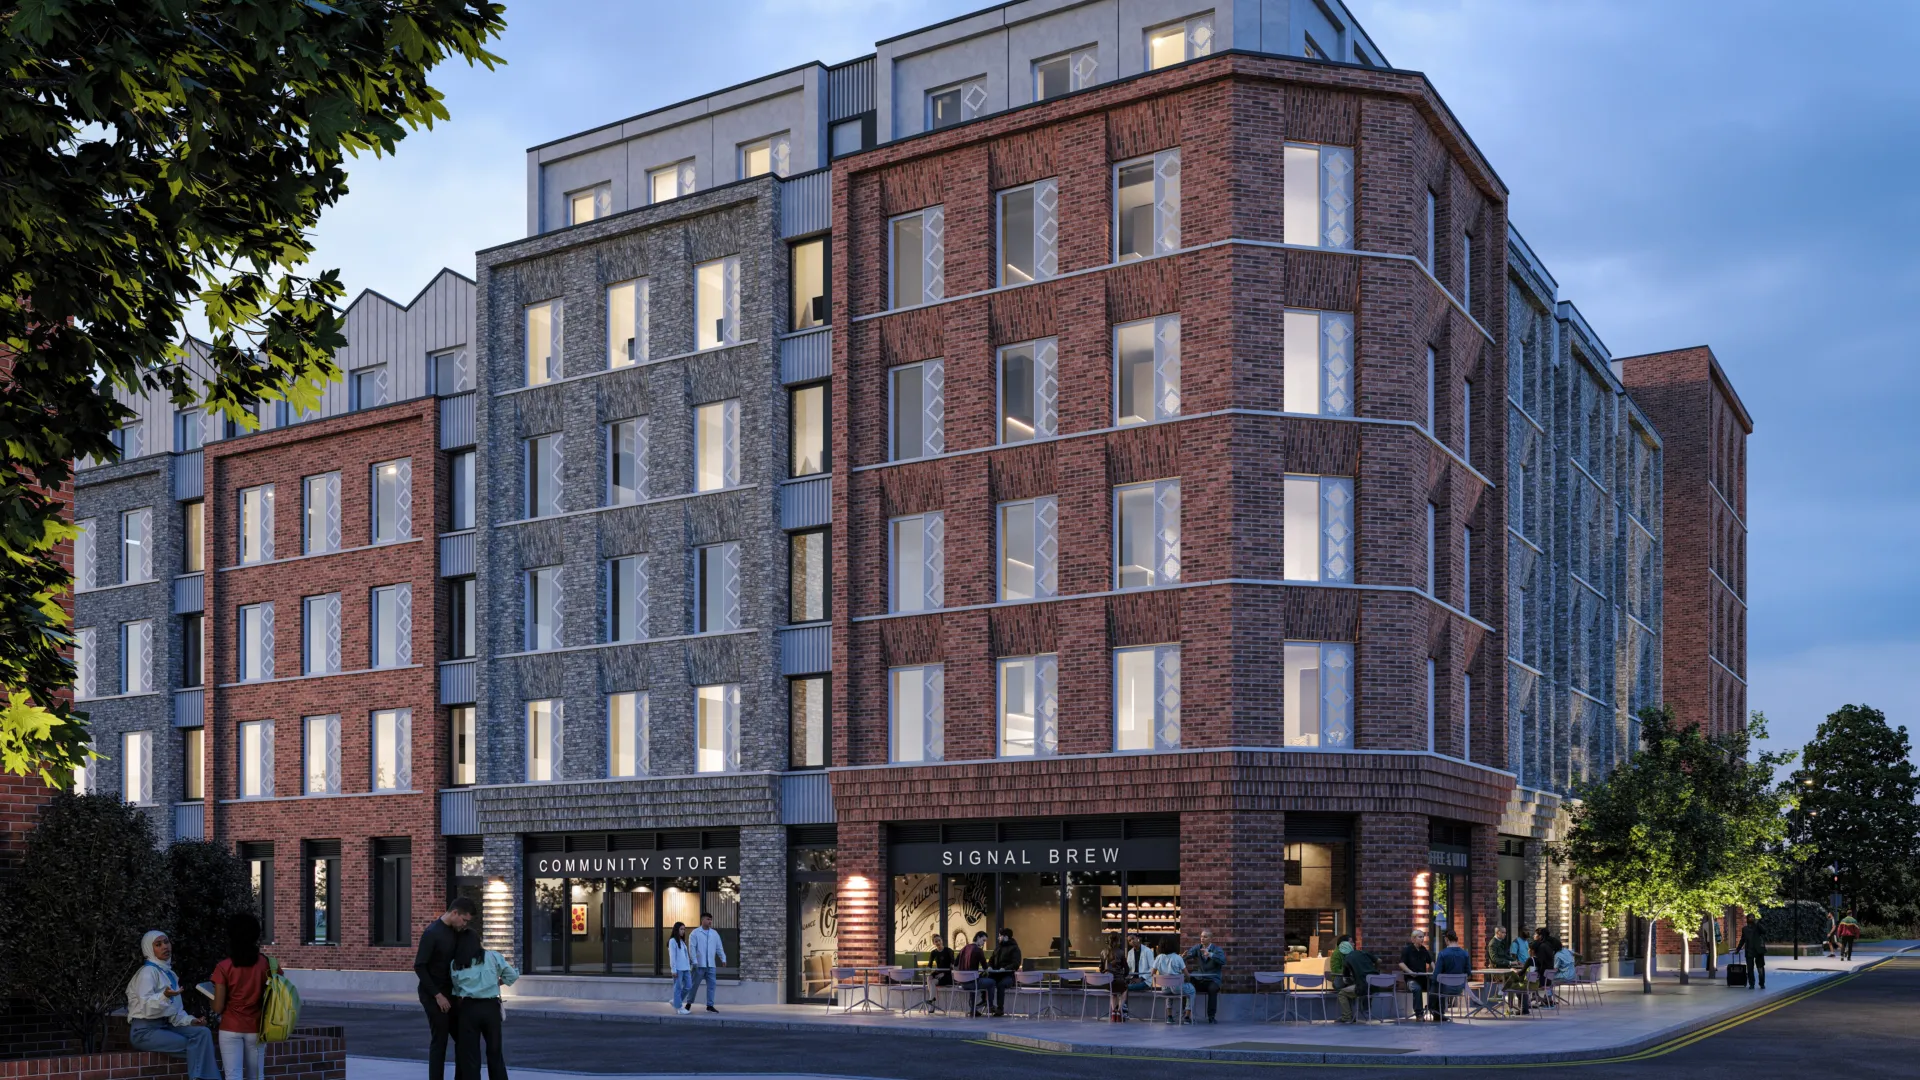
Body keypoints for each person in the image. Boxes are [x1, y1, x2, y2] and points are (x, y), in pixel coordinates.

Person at [126, 931, 221, 1080]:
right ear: (148, 950)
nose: (165, 946)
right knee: (194, 1045)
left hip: (165, 1026)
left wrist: (191, 1021)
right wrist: (164, 996)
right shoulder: (147, 972)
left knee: (203, 1033)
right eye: (158, 944)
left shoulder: (168, 974)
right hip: (144, 1032)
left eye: (166, 942)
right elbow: (146, 1006)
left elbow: (176, 1012)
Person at [413, 898, 478, 1080]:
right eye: (464, 920)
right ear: (454, 913)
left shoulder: (457, 932)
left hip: (452, 994)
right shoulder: (432, 933)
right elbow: (419, 966)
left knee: (463, 1039)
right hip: (433, 995)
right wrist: (437, 995)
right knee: (440, 1040)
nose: (465, 925)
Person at [209, 913, 270, 1080]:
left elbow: (218, 1007)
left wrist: (210, 998)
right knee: (257, 1076)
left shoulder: (223, 966)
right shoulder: (267, 964)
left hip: (230, 1027)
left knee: (233, 1075)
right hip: (257, 1027)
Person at [451, 941, 520, 1080]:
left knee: (470, 1053)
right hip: (490, 1007)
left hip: (468, 1007)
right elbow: (511, 976)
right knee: (495, 1051)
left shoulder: (456, 962)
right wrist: (495, 982)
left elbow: (456, 988)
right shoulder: (493, 957)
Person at [688, 911, 728, 1013]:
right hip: (699, 965)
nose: (710, 921)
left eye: (711, 919)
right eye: (708, 919)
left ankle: (710, 1005)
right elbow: (692, 948)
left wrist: (723, 958)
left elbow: (719, 947)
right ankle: (689, 1003)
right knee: (694, 985)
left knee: (712, 986)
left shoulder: (714, 933)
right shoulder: (695, 933)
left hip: (711, 965)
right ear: (702, 920)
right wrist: (694, 961)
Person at [1183, 929, 1226, 1024]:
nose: (1202, 938)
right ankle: (1186, 1015)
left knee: (1212, 989)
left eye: (1205, 937)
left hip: (1213, 980)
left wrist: (1210, 954)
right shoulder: (1197, 948)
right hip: (1200, 979)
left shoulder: (1217, 949)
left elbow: (1223, 961)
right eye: (1201, 936)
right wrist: (1183, 957)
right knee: (1187, 986)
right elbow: (1188, 955)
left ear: (1211, 939)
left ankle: (1211, 1017)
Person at [1335, 939, 1379, 1024]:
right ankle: (1365, 1012)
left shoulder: (1347, 960)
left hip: (1363, 987)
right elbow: (1379, 960)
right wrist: (1374, 970)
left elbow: (1346, 979)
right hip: (1375, 985)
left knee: (1342, 993)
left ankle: (1347, 1016)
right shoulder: (1363, 952)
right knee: (1360, 991)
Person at [1398, 929, 1438, 1021]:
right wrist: (1410, 972)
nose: (1422, 939)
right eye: (1420, 937)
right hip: (1411, 979)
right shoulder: (1407, 950)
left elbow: (1430, 961)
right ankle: (1419, 1014)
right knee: (1417, 989)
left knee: (1435, 985)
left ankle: (1433, 1009)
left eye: (1423, 937)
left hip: (1423, 978)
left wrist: (1435, 969)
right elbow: (1401, 964)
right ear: (1413, 939)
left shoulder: (1423, 949)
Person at [1151, 938, 1194, 1024]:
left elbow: (1152, 973)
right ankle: (1187, 1017)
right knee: (1192, 991)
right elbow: (1187, 974)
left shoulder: (1158, 957)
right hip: (1177, 988)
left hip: (1164, 989)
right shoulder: (1178, 958)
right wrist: (1187, 980)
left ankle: (1169, 1017)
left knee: (1169, 993)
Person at [1434, 929, 1470, 1021]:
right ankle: (1438, 1013)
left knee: (1434, 986)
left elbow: (1436, 974)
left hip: (1444, 989)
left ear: (1446, 940)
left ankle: (1437, 1013)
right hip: (1459, 989)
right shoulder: (1465, 954)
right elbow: (1468, 973)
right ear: (1457, 939)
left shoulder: (1442, 954)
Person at [984, 928, 1022, 1017]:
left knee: (1001, 985)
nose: (998, 938)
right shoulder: (998, 948)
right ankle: (989, 1005)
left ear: (1005, 937)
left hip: (1008, 975)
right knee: (986, 981)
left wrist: (1005, 969)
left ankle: (1000, 1009)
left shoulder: (1015, 949)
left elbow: (1016, 963)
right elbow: (991, 960)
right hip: (996, 974)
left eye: (1000, 936)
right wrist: (989, 966)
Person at [955, 931, 989, 1016]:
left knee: (973, 981)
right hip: (972, 983)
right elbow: (985, 967)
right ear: (978, 937)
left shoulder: (964, 948)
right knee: (991, 982)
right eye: (983, 940)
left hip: (962, 983)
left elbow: (955, 964)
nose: (983, 943)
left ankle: (973, 1010)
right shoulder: (978, 950)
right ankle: (990, 1006)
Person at [1101, 933, 1132, 1021]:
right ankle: (1119, 1011)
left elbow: (1101, 968)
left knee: (1112, 992)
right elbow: (1126, 969)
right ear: (1118, 941)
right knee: (1124, 989)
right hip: (1118, 981)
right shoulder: (1121, 953)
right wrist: (1124, 976)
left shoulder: (1103, 952)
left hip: (1106, 982)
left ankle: (1113, 1013)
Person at [667, 923, 693, 1013]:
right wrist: (673, 969)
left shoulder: (682, 941)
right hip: (678, 969)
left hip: (686, 968)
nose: (683, 931)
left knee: (689, 986)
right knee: (677, 988)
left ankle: (676, 1001)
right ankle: (679, 1008)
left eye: (684, 929)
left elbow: (685, 956)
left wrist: (689, 966)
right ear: (676, 930)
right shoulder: (672, 941)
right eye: (681, 929)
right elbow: (672, 956)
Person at [1737, 915, 1768, 989]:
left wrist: (1758, 923)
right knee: (1750, 969)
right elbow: (1742, 940)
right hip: (1749, 951)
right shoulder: (1744, 929)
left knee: (1760, 968)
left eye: (1752, 917)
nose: (1751, 919)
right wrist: (1738, 949)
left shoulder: (1758, 927)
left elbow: (1764, 931)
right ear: (1747, 919)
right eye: (1749, 917)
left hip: (1758, 951)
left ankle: (1762, 983)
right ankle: (1751, 984)